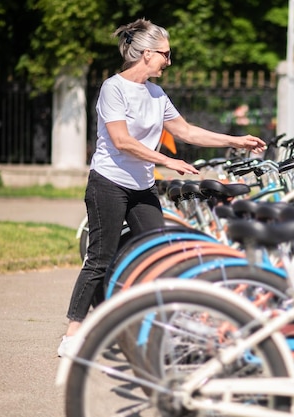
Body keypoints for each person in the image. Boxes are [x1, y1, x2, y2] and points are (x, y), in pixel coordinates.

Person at [58, 18, 265, 356]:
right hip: (108, 183)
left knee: (161, 253)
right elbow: (122, 141)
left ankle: (155, 326)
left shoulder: (156, 94)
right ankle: (73, 335)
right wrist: (166, 161)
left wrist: (235, 140)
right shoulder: (114, 88)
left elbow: (187, 132)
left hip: (142, 186)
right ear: (147, 54)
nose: (169, 61)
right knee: (100, 258)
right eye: (166, 55)